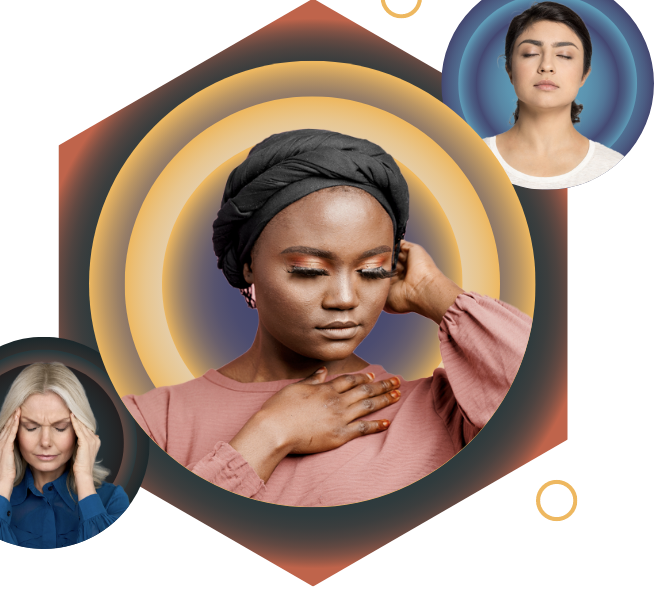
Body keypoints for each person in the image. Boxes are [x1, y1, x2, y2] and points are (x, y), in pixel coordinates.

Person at [123, 129, 532, 506]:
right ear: (249, 266)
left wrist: (437, 294)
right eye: (309, 270)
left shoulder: (443, 413)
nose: (344, 298)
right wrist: (268, 436)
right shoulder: (149, 421)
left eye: (372, 271)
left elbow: (549, 400)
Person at [0, 362, 129, 547]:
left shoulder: (112, 500)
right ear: (12, 430)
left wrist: (84, 476)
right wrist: (3, 483)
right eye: (31, 427)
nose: (45, 442)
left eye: (60, 428)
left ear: (80, 431)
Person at [483, 1, 624, 189]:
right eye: (530, 53)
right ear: (510, 71)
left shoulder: (611, 165)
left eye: (564, 55)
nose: (546, 66)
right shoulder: (470, 160)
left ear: (584, 75)